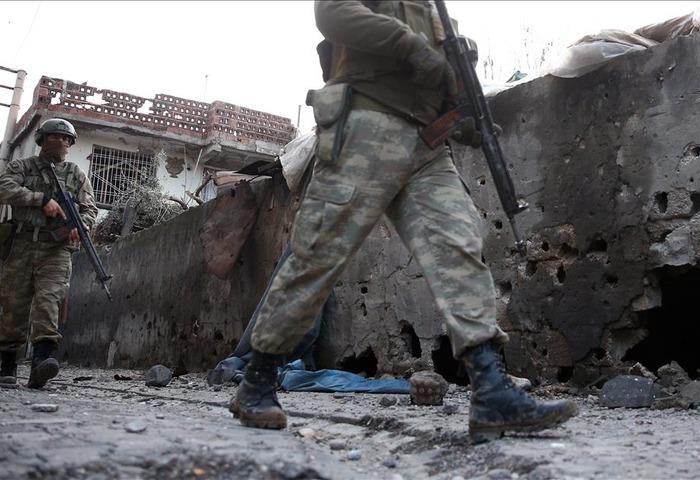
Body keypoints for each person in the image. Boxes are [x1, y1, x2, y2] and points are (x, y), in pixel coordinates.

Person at [230, 0, 578, 442]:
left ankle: (491, 388)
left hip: (427, 146)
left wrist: (463, 105)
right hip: (365, 125)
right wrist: (412, 47)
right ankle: (257, 380)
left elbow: (444, 82)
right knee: (318, 254)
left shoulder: (436, 13)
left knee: (459, 243)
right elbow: (332, 13)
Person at [0, 118, 97, 389]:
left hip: (57, 249)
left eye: (65, 138)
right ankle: (8, 365)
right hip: (22, 243)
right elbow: (4, 189)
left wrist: (80, 226)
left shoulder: (76, 174)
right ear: (41, 139)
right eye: (54, 136)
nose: (60, 142)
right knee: (13, 305)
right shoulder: (23, 167)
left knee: (50, 302)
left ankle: (41, 363)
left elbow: (89, 209)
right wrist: (41, 200)